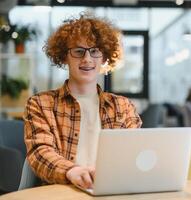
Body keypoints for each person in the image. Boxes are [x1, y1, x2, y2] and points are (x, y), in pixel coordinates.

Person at [23, 13, 142, 189]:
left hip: (110, 190)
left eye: (94, 51)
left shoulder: (122, 106)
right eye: (78, 51)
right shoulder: (40, 104)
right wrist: (72, 171)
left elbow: (134, 152)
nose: (87, 59)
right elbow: (40, 153)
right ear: (64, 56)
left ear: (104, 57)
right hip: (62, 189)